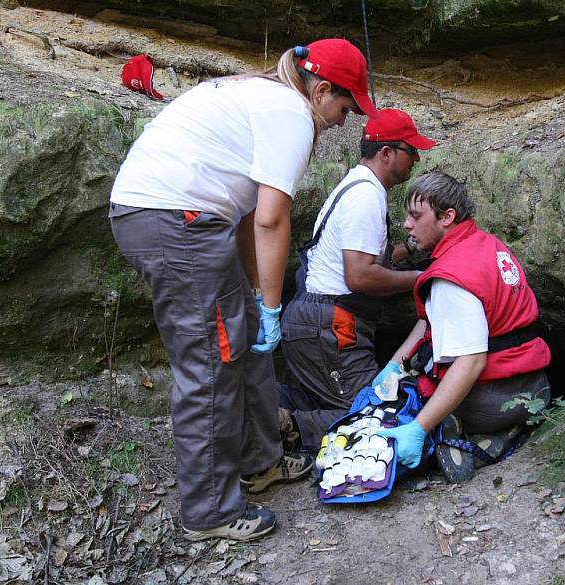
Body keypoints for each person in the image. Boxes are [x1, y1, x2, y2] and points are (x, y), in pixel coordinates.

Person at [108, 39, 378, 542]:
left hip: (182, 218)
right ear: (321, 90)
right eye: (347, 106)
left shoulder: (259, 96)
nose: (347, 120)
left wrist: (259, 297)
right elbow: (273, 221)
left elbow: (250, 215)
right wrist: (275, 304)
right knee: (212, 361)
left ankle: (261, 461)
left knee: (246, 335)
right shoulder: (291, 115)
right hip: (177, 221)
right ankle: (208, 512)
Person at [375, 172, 552, 483]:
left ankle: (462, 431)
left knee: (404, 401)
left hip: (492, 400)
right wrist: (393, 363)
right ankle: (506, 428)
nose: (406, 224)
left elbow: (471, 362)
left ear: (447, 217)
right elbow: (432, 319)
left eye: (416, 216)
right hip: (535, 383)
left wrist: (419, 427)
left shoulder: (450, 277)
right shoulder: (486, 245)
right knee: (404, 376)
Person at [280, 108, 437, 452]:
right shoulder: (366, 196)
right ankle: (279, 429)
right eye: (412, 152)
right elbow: (360, 276)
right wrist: (425, 278)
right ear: (386, 153)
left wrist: (406, 251)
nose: (416, 160)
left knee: (310, 399)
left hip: (312, 319)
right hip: (332, 325)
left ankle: (261, 415)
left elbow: (355, 257)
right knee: (371, 411)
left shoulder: (354, 186)